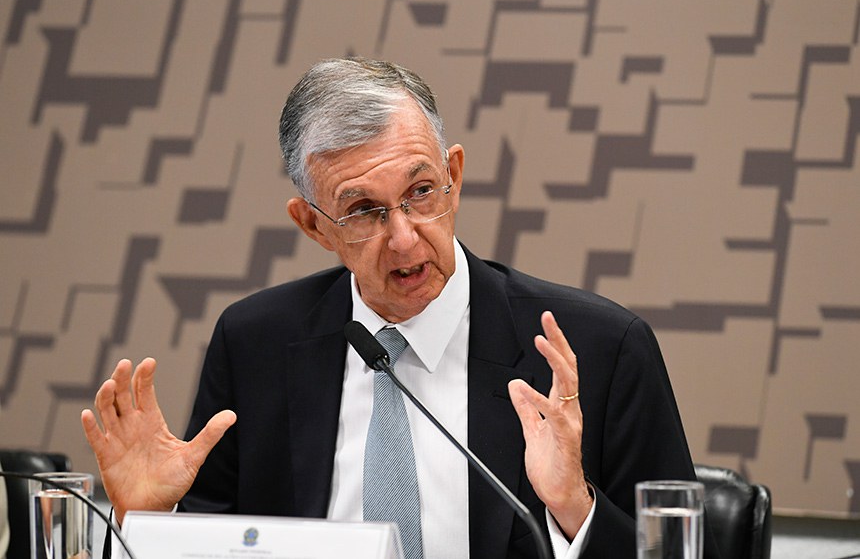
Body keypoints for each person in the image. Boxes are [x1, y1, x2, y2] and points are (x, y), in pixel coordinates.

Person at [81, 57, 717, 558]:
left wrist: (575, 508)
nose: (405, 236)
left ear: (455, 176)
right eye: (363, 211)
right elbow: (216, 544)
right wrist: (150, 522)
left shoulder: (598, 349)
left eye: (420, 192)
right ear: (313, 224)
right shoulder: (256, 344)